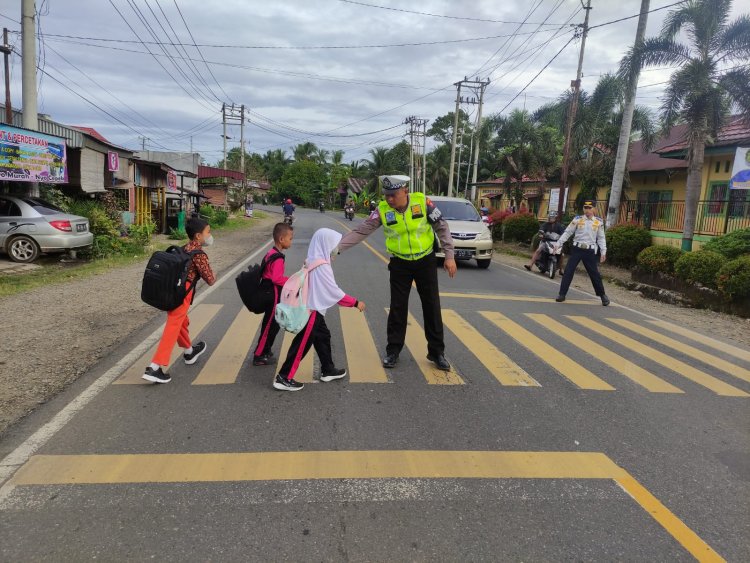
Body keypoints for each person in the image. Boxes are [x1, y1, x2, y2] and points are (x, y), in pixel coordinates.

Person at [339, 175, 457, 371]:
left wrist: (449, 255)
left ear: (405, 191)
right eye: (386, 195)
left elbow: (441, 227)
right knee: (397, 307)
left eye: (393, 195)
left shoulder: (422, 202)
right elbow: (361, 231)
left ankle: (437, 353)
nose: (389, 200)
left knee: (432, 306)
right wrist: (336, 249)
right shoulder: (382, 210)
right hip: (399, 263)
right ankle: (393, 350)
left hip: (425, 260)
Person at [274, 228, 366, 391]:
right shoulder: (322, 266)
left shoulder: (312, 259)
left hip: (313, 308)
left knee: (323, 336)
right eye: (334, 245)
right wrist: (355, 302)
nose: (336, 249)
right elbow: (333, 291)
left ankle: (328, 370)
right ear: (326, 244)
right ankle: (284, 377)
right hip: (311, 310)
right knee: (302, 344)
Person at [143, 217, 216, 383]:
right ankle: (155, 367)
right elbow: (210, 280)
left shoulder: (184, 248)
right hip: (184, 293)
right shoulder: (199, 255)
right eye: (208, 232)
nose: (209, 235)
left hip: (173, 290)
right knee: (174, 325)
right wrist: (213, 273)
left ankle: (189, 352)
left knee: (181, 321)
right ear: (198, 236)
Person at [252, 222, 294, 366]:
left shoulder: (271, 253)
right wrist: (292, 281)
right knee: (270, 324)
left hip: (267, 291)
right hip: (273, 293)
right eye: (290, 238)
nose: (291, 241)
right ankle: (259, 355)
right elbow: (277, 279)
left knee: (273, 324)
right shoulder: (278, 258)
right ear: (281, 239)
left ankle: (266, 349)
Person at [554, 200, 610, 306]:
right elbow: (568, 232)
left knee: (594, 274)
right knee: (568, 271)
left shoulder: (598, 222)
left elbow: (601, 238)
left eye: (589, 208)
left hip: (589, 251)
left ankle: (602, 295)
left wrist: (603, 251)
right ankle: (562, 294)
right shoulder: (577, 219)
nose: (587, 210)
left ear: (594, 209)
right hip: (577, 249)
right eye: (585, 208)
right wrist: (558, 243)